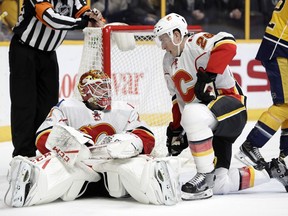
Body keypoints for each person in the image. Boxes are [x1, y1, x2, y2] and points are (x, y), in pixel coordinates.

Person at [5, 70, 179, 207]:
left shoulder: (124, 109)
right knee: (54, 164)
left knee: (135, 165)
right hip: (78, 166)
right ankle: (28, 189)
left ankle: (158, 187)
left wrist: (124, 145)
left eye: (106, 86)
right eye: (99, 87)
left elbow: (146, 137)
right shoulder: (66, 107)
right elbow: (43, 137)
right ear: (85, 92)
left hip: (112, 164)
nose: (105, 91)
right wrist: (75, 148)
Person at [153, 12, 255, 200]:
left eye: (164, 39)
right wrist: (176, 131)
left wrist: (209, 74)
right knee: (221, 185)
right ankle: (269, 172)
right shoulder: (167, 62)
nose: (163, 45)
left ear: (177, 35)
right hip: (209, 120)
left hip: (232, 108)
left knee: (192, 114)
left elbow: (228, 44)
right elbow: (177, 99)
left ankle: (204, 176)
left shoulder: (195, 42)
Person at [9, 0, 105, 158]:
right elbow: (49, 18)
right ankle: (23, 155)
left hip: (49, 54)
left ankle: (45, 152)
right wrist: (83, 22)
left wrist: (94, 16)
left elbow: (83, 12)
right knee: (24, 105)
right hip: (24, 51)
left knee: (49, 107)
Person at [235, 0, 288, 191]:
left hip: (281, 47)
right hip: (280, 48)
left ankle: (283, 155)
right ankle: (250, 146)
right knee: (285, 105)